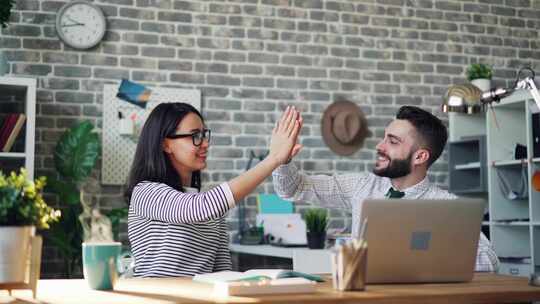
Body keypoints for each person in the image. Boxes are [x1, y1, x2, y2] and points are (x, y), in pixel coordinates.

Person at [272, 105, 499, 272]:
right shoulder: (362, 186)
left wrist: (424, 258)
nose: (380, 146)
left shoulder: (446, 205)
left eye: (393, 141)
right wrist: (281, 160)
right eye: (384, 138)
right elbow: (293, 188)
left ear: (420, 156)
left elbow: (489, 261)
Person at [126, 103, 301, 277]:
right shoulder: (145, 192)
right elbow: (197, 208)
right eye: (195, 135)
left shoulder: (211, 209)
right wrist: (273, 160)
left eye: (203, 135)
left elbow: (222, 271)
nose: (204, 144)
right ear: (166, 144)